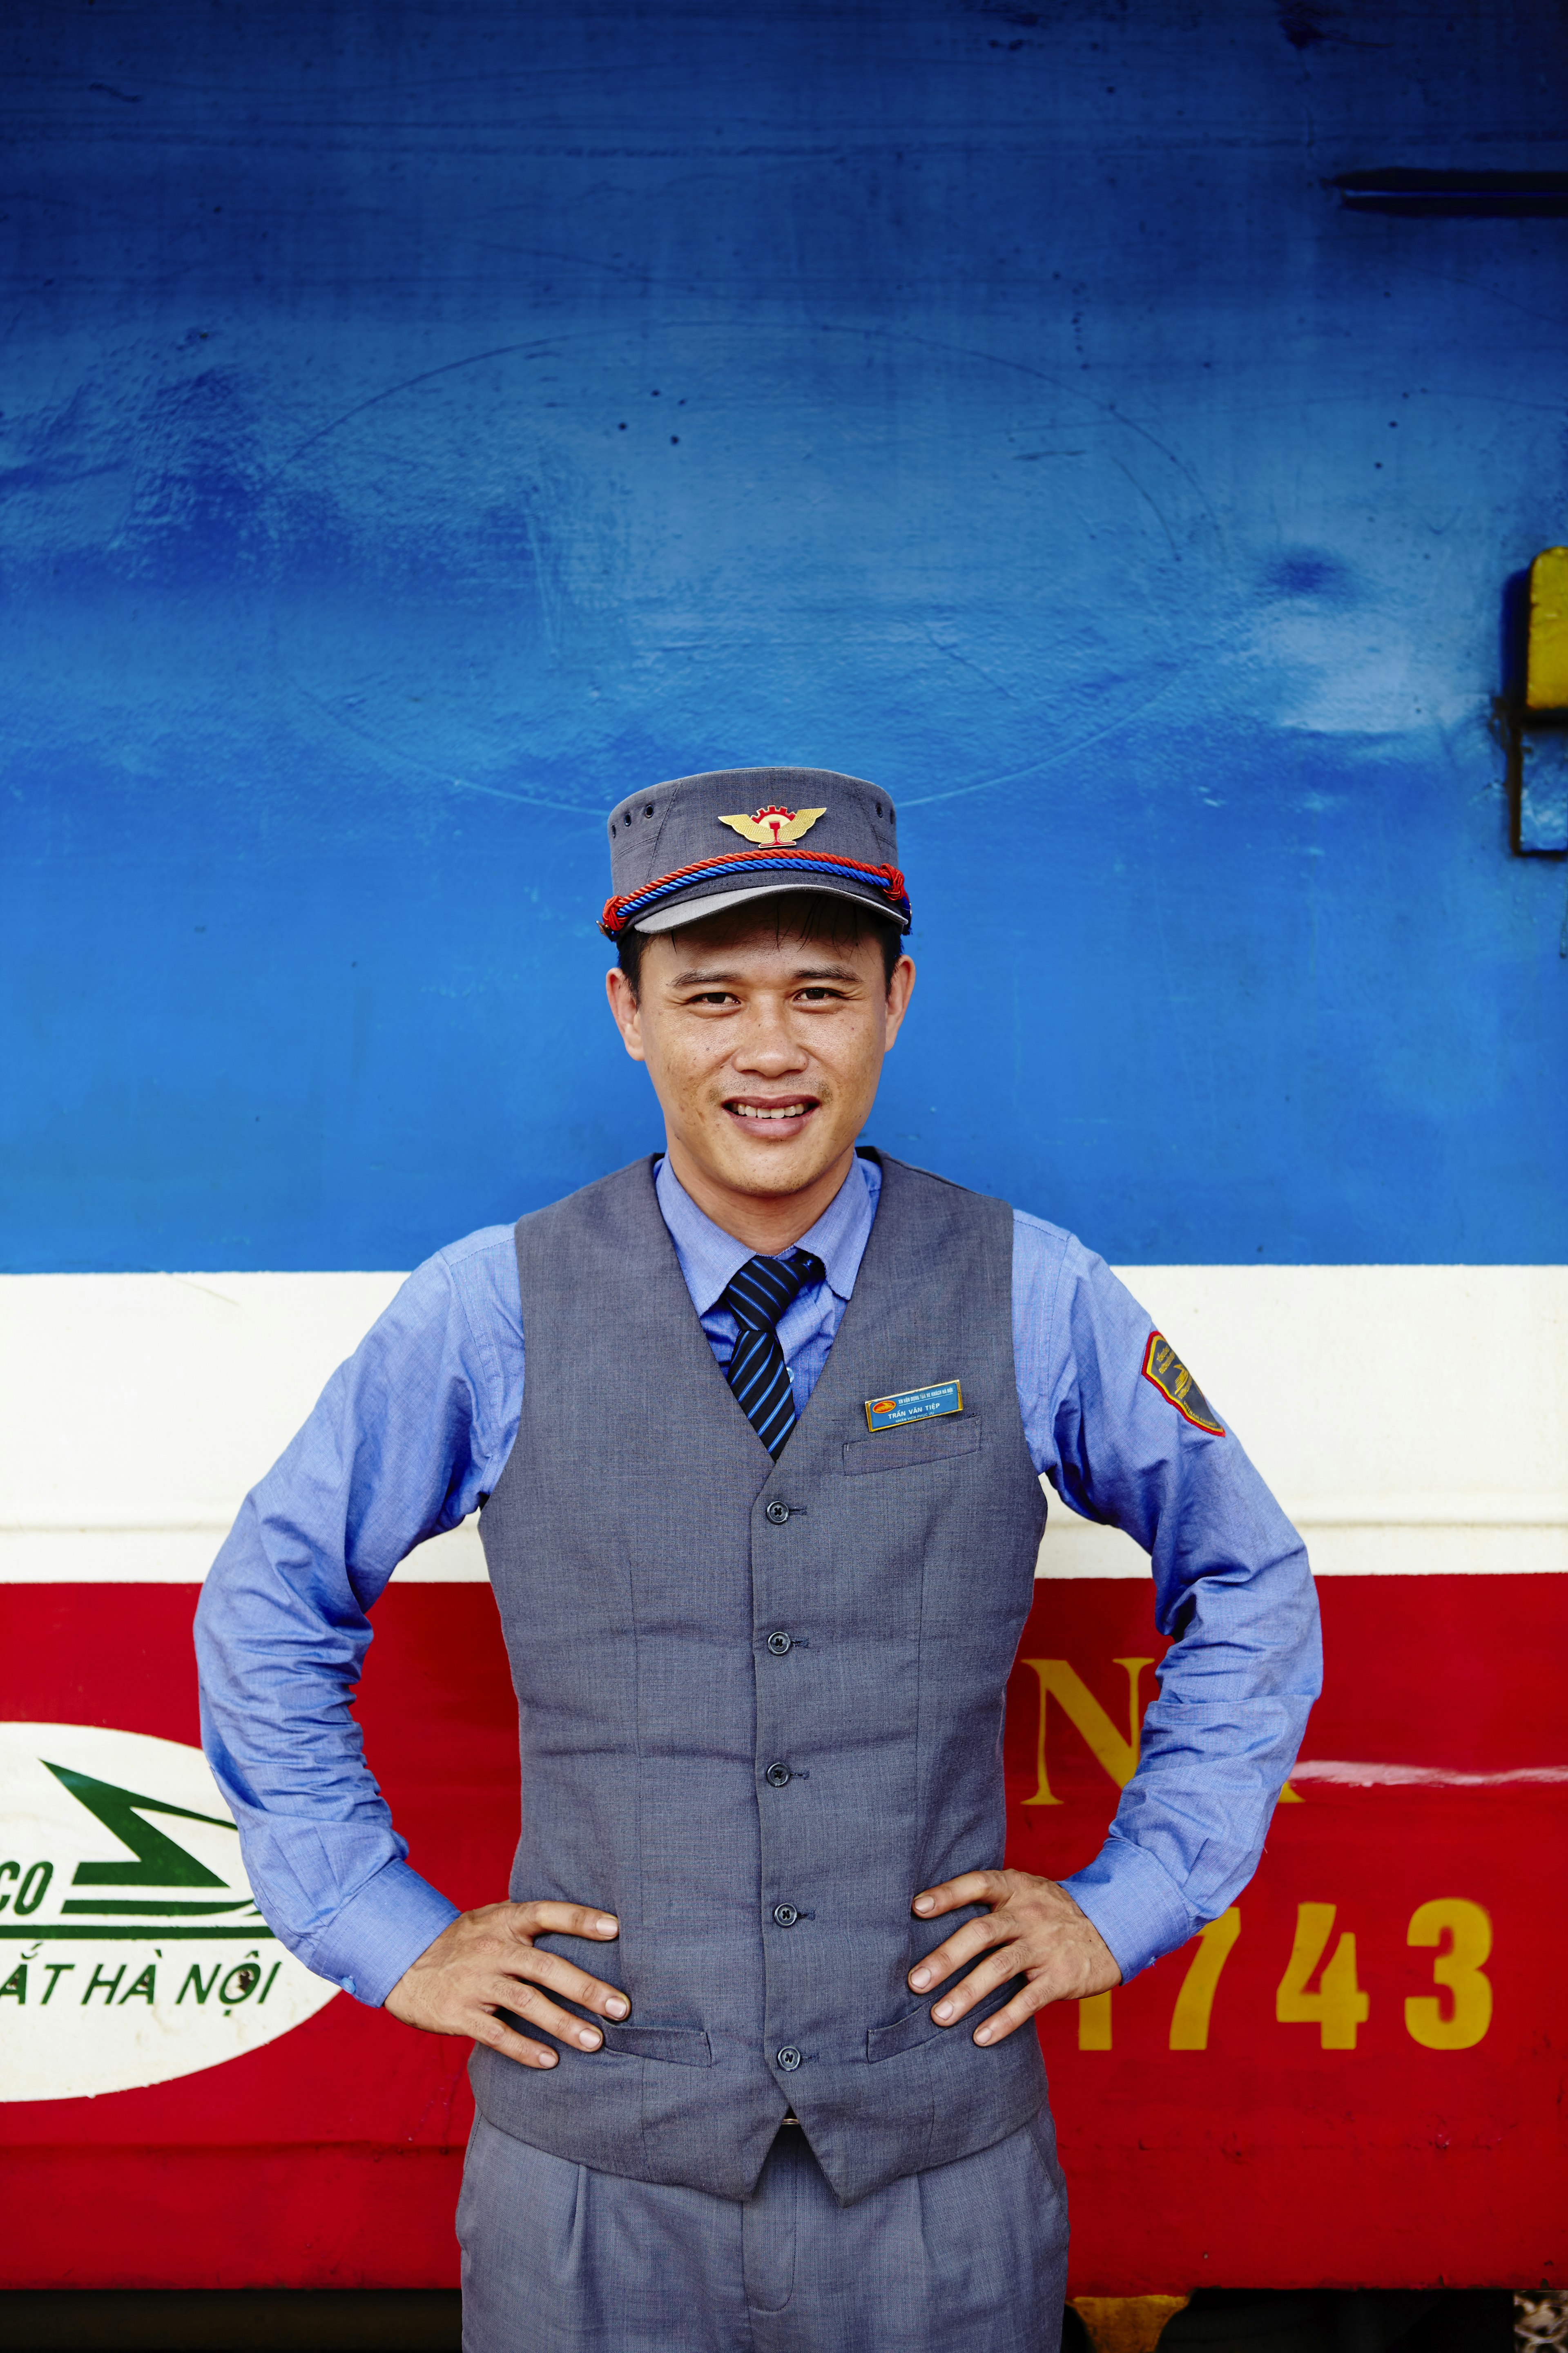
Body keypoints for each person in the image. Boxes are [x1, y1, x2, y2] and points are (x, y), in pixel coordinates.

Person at [196, 767, 1320, 2353]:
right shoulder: (490, 1306)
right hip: (593, 2183)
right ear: (629, 1013)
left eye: (822, 993)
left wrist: (1129, 1898)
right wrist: (379, 1922)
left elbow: (1252, 1581)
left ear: (896, 1004)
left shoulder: (1034, 1292)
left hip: (938, 2187)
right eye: (712, 996)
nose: (771, 1049)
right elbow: (270, 1593)